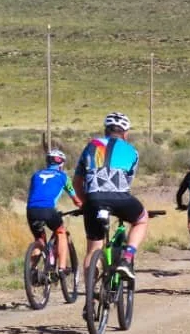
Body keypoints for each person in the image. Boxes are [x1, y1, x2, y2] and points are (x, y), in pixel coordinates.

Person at [74, 112, 149, 281]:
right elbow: (127, 184)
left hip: (93, 199)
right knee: (142, 219)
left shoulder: (91, 146)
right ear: (125, 133)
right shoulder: (132, 151)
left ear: (105, 130)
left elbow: (77, 181)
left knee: (93, 249)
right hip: (120, 198)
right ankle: (127, 258)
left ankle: (90, 300)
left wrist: (86, 203)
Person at [26, 150, 82, 275]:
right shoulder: (63, 177)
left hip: (31, 210)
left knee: (39, 240)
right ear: (61, 164)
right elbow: (76, 200)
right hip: (48, 210)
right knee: (61, 232)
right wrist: (84, 208)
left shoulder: (36, 175)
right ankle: (62, 268)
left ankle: (31, 271)